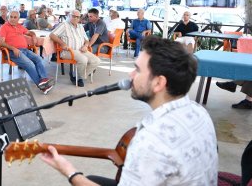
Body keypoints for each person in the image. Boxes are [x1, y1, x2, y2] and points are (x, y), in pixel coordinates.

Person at [41, 36, 218, 186]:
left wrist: (70, 173)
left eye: (138, 70)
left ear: (159, 83)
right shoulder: (198, 112)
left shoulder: (152, 140)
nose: (130, 75)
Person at [0, 10, 54, 94]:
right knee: (30, 64)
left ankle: (44, 80)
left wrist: (34, 36)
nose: (12, 19)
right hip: (13, 52)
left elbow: (29, 32)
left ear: (18, 19)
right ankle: (42, 86)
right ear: (8, 18)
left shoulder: (20, 26)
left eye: (15, 17)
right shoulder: (4, 27)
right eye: (11, 17)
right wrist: (13, 48)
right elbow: (1, 42)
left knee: (39, 59)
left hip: (25, 50)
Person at [50, 10, 100, 87]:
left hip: (81, 50)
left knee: (96, 61)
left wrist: (86, 46)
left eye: (77, 17)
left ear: (80, 18)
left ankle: (78, 76)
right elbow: (52, 35)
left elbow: (86, 40)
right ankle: (79, 78)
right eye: (73, 16)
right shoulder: (64, 25)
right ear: (69, 16)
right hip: (68, 51)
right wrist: (62, 43)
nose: (75, 18)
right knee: (83, 60)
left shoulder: (80, 27)